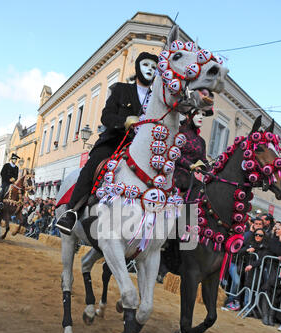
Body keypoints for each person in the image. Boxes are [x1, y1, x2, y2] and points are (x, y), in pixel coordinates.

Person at [56, 51, 159, 235]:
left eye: (154, 67)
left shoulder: (155, 99)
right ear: (137, 67)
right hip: (115, 142)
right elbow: (106, 116)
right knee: (95, 162)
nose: (150, 70)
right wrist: (124, 120)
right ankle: (71, 212)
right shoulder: (120, 89)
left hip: (140, 150)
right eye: (146, 65)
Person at [174, 108, 212, 193]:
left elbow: (203, 161)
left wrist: (213, 171)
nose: (201, 117)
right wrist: (191, 165)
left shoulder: (201, 141)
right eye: (197, 113)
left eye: (203, 114)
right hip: (174, 172)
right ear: (188, 116)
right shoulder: (179, 131)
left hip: (191, 176)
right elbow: (174, 153)